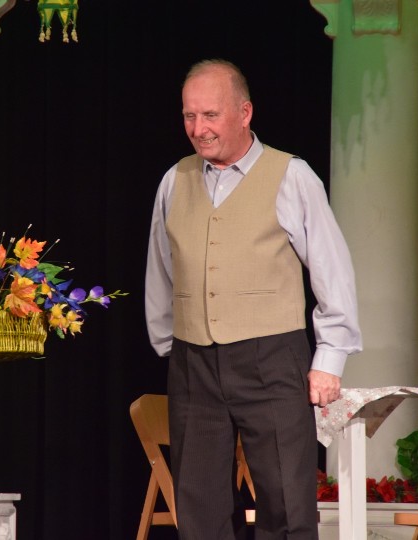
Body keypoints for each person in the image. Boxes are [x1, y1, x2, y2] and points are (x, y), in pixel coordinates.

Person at [145, 59, 362, 539]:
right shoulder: (175, 180)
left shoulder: (291, 175)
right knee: (199, 509)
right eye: (189, 116)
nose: (198, 129)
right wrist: (169, 344)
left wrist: (330, 356)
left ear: (244, 113)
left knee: (285, 503)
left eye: (210, 115)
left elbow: (331, 269)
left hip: (272, 356)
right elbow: (162, 268)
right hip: (194, 362)